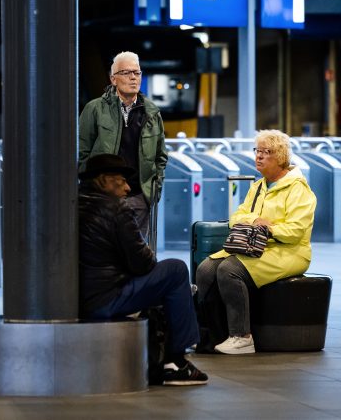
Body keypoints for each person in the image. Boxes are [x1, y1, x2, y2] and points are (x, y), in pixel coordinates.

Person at [78, 153, 208, 386]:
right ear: (106, 180)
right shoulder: (116, 208)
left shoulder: (76, 203)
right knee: (176, 270)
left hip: (79, 298)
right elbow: (143, 263)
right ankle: (176, 360)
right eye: (123, 181)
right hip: (107, 299)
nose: (128, 188)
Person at [196, 130, 316, 355]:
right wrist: (255, 221)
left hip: (289, 252)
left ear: (280, 157)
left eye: (266, 152)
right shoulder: (258, 186)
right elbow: (236, 217)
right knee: (205, 269)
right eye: (257, 151)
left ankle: (242, 337)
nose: (259, 156)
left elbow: (296, 231)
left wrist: (267, 228)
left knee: (229, 270)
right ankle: (212, 335)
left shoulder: (299, 189)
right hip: (254, 247)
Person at [78, 51, 167, 237]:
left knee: (137, 256)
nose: (134, 77)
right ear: (113, 79)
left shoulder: (151, 112)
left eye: (137, 72)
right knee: (104, 251)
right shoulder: (94, 109)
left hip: (139, 197)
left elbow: (161, 156)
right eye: (127, 73)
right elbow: (81, 152)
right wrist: (93, 188)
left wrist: (152, 191)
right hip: (103, 199)